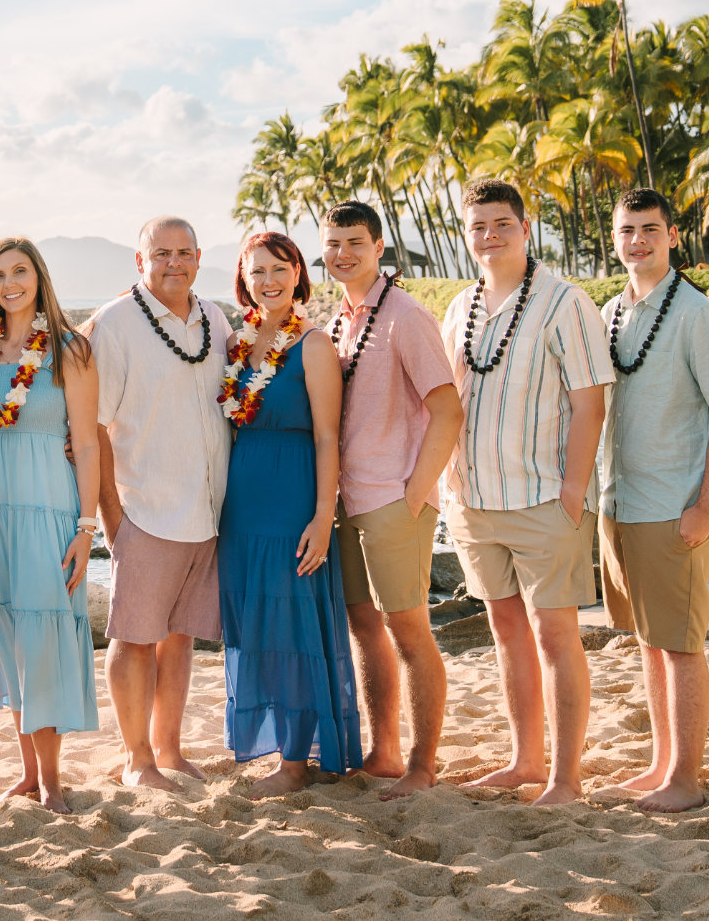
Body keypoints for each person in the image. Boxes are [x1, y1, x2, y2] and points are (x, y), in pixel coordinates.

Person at [439, 178, 613, 805]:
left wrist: (574, 488)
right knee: (506, 632)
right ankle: (525, 761)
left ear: (525, 226)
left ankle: (565, 779)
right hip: (472, 499)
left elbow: (590, 401)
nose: (489, 236)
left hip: (544, 498)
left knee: (556, 637)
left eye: (501, 224)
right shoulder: (460, 307)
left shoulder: (566, 302)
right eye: (478, 226)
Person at [601, 189, 709, 812]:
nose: (638, 241)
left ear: (673, 235)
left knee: (682, 645)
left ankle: (686, 780)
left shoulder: (694, 311)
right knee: (648, 640)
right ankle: (662, 764)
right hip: (620, 503)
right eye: (627, 230)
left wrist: (705, 508)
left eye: (649, 230)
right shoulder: (611, 311)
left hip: (672, 505)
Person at [320, 201, 463, 799]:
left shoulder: (405, 316)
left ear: (380, 248)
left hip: (392, 501)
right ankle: (382, 753)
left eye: (355, 242)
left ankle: (422, 765)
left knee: (409, 629)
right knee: (363, 627)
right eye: (333, 244)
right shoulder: (337, 321)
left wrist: (414, 494)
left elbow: (448, 408)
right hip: (346, 501)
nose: (343, 253)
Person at [87, 215, 233, 791]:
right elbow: (94, 430)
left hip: (206, 508)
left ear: (199, 256)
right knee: (133, 637)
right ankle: (137, 759)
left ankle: (169, 750)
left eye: (183, 252)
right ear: (140, 260)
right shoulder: (115, 324)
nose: (174, 262)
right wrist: (112, 520)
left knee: (180, 636)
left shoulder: (214, 318)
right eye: (161, 253)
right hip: (144, 507)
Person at [0, 237, 101, 812]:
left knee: (44, 638)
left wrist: (87, 528)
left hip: (47, 507)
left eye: (20, 271)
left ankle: (52, 778)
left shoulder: (72, 350)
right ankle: (26, 772)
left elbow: (88, 444)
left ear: (39, 278)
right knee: (12, 635)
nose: (10, 283)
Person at [217, 232, 359, 794]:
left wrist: (324, 516)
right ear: (243, 279)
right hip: (242, 501)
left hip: (293, 494)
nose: (268, 280)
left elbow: (328, 437)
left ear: (298, 273)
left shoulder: (314, 344)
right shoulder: (236, 344)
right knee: (257, 624)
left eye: (279, 268)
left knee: (293, 621)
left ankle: (297, 762)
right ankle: (279, 747)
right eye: (257, 272)